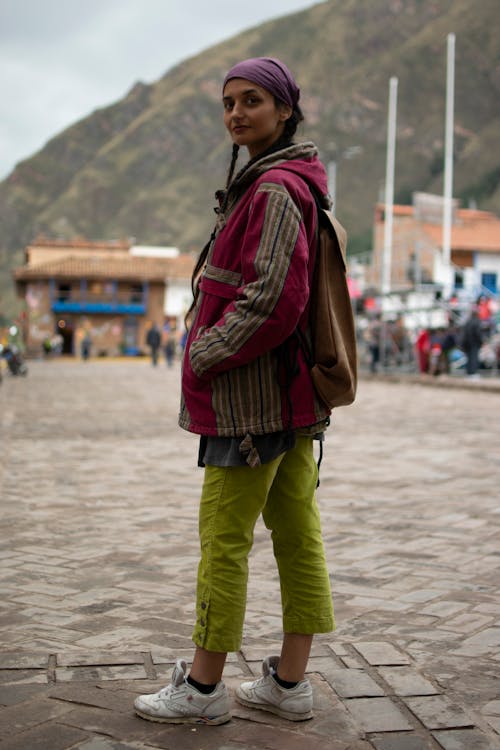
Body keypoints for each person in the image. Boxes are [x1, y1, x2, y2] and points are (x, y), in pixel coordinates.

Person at [134, 57, 336, 726]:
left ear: (284, 111)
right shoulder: (281, 183)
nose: (237, 113)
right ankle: (289, 683)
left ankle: (202, 689)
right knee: (296, 534)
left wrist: (206, 352)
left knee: (223, 538)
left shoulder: (275, 190)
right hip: (289, 398)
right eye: (228, 103)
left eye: (252, 100)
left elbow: (277, 296)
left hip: (250, 404)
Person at [461, 308, 483, 377]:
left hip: (467, 343)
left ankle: (469, 372)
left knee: (469, 358)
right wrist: (481, 341)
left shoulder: (468, 321)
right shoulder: (477, 321)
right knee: (474, 358)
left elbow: (464, 333)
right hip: (474, 343)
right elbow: (478, 333)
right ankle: (473, 373)